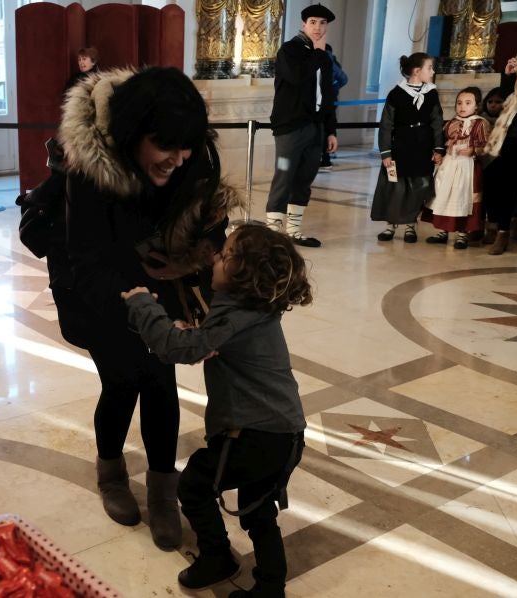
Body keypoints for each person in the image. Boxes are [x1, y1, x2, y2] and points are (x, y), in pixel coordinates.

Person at [56, 66, 240, 551]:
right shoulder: (89, 167)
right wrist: (138, 307)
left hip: (166, 277)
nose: (177, 160)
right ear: (133, 134)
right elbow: (89, 259)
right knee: (120, 380)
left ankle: (163, 489)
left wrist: (191, 268)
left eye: (185, 149)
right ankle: (111, 474)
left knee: (159, 381)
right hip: (98, 281)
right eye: (166, 148)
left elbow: (209, 229)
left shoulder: (192, 154)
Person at [121, 223, 310, 597]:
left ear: (243, 273)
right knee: (258, 512)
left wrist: (144, 305)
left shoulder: (234, 315)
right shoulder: (253, 310)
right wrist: (193, 335)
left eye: (224, 256)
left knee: (193, 485)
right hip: (285, 433)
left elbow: (177, 349)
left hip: (252, 435)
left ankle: (217, 556)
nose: (214, 258)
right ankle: (270, 588)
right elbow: (205, 342)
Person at [265, 3, 338, 248]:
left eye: (323, 23)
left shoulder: (325, 55)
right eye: (313, 22)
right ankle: (273, 235)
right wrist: (318, 54)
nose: (318, 27)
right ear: (303, 24)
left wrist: (331, 130)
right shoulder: (289, 50)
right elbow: (296, 77)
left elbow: (327, 95)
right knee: (284, 177)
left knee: (305, 179)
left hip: (315, 128)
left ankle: (293, 231)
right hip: (290, 128)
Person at [371, 52, 444, 243]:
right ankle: (390, 225)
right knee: (396, 187)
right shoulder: (396, 94)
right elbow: (386, 125)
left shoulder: (432, 93)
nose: (433, 71)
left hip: (422, 147)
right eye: (430, 68)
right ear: (417, 71)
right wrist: (385, 152)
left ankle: (411, 225)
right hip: (400, 148)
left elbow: (437, 122)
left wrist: (438, 148)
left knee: (419, 188)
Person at [423, 87, 490, 249]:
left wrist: (474, 150)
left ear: (476, 106)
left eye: (468, 103)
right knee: (444, 195)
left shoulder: (480, 123)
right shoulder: (451, 122)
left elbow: (488, 145)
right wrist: (439, 152)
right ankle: (443, 231)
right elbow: (442, 140)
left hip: (467, 166)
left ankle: (462, 234)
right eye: (459, 103)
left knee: (464, 197)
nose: (462, 106)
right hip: (449, 164)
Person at [482, 48, 517, 256]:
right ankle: (500, 230)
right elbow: (506, 96)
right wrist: (508, 74)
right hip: (509, 138)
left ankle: (509, 229)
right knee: (503, 185)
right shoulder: (515, 93)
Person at [318, 44, 348, 172]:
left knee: (326, 126)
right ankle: (325, 158)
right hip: (326, 97)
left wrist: (330, 89)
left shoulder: (327, 59)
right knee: (327, 125)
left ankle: (325, 159)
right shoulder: (330, 59)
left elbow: (343, 79)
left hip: (325, 98)